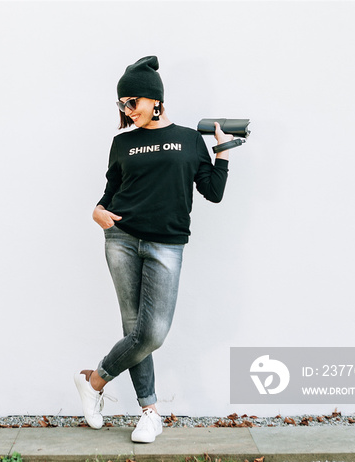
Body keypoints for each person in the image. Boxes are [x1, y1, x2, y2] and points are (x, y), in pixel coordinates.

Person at [74, 56, 235, 444]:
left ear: (155, 100)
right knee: (134, 329)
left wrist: (223, 152)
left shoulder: (189, 139)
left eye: (133, 102)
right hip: (121, 240)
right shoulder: (122, 143)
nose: (127, 111)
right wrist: (97, 211)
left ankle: (94, 381)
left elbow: (212, 193)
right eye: (122, 104)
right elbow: (111, 193)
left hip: (167, 244)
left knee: (152, 333)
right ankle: (149, 412)